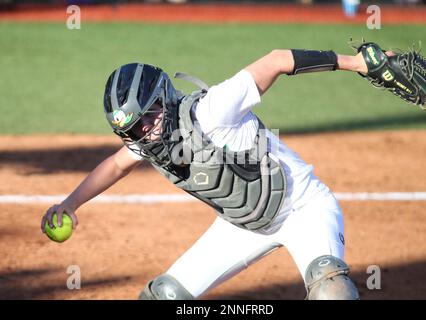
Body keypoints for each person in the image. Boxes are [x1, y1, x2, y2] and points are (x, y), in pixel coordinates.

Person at [41, 47, 375, 300]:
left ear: (164, 99)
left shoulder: (213, 110)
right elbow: (115, 165)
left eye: (147, 119)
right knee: (163, 296)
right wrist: (70, 203)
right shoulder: (149, 141)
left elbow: (276, 60)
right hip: (243, 226)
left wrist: (357, 62)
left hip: (304, 209)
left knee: (331, 288)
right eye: (132, 130)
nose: (143, 132)